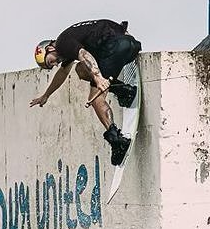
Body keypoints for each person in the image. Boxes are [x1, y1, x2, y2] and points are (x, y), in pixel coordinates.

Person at [29, 19, 142, 165]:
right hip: (130, 45)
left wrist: (99, 78)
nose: (55, 64)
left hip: (114, 48)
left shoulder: (63, 43)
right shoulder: (68, 43)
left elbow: (84, 55)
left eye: (51, 62)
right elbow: (63, 73)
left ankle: (118, 141)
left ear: (49, 49)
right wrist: (46, 95)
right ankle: (124, 91)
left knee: (96, 99)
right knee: (80, 70)